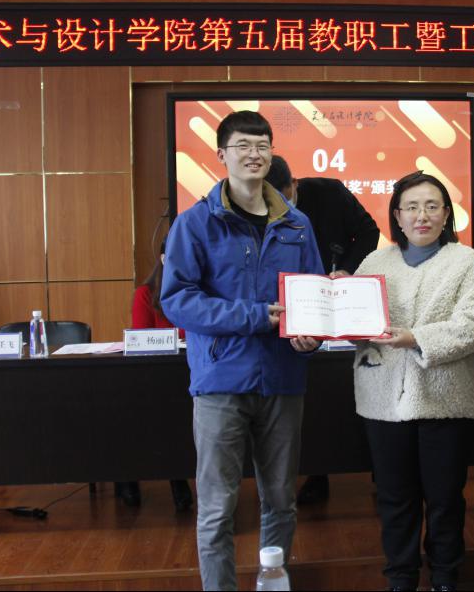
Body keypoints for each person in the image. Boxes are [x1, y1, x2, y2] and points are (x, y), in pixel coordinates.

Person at [160, 110, 323, 592]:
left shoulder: (297, 224)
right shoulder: (195, 224)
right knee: (217, 508)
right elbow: (178, 300)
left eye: (262, 145)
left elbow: (312, 294)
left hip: (283, 379)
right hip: (220, 382)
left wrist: (311, 334)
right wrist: (253, 316)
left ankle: (273, 584)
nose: (254, 154)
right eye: (243, 146)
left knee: (281, 502)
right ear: (221, 155)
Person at [352, 171, 474, 592]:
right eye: (411, 207)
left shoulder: (465, 261)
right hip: (383, 401)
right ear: (396, 215)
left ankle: (446, 576)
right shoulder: (374, 263)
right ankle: (401, 577)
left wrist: (416, 338)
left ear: (446, 214)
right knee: (394, 497)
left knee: (445, 497)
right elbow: (355, 321)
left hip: (444, 400)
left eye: (432, 206)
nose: (422, 216)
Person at [265, 154, 380, 505]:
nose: (278, 206)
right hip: (296, 308)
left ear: (294, 184)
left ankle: (380, 471)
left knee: (349, 388)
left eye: (284, 197)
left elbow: (369, 232)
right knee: (312, 400)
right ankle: (318, 474)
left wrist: (347, 270)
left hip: (339, 298)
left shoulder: (330, 192)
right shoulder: (258, 208)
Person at [114, 240, 193, 512]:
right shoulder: (145, 294)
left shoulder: (195, 291)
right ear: (162, 258)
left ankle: (178, 474)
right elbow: (142, 337)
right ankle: (164, 477)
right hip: (154, 376)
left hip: (190, 371)